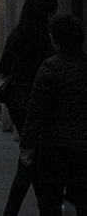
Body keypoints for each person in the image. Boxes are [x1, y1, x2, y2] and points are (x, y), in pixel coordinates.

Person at [20, 14, 87, 216]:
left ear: (55, 39)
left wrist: (27, 146)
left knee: (50, 202)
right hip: (83, 148)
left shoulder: (50, 68)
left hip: (53, 148)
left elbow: (36, 111)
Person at [0, 0, 58, 216]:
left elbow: (3, 66)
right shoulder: (46, 38)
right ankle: (45, 207)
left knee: (31, 154)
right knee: (33, 156)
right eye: (52, 11)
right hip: (37, 101)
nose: (54, 16)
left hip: (17, 101)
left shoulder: (18, 34)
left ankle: (18, 209)